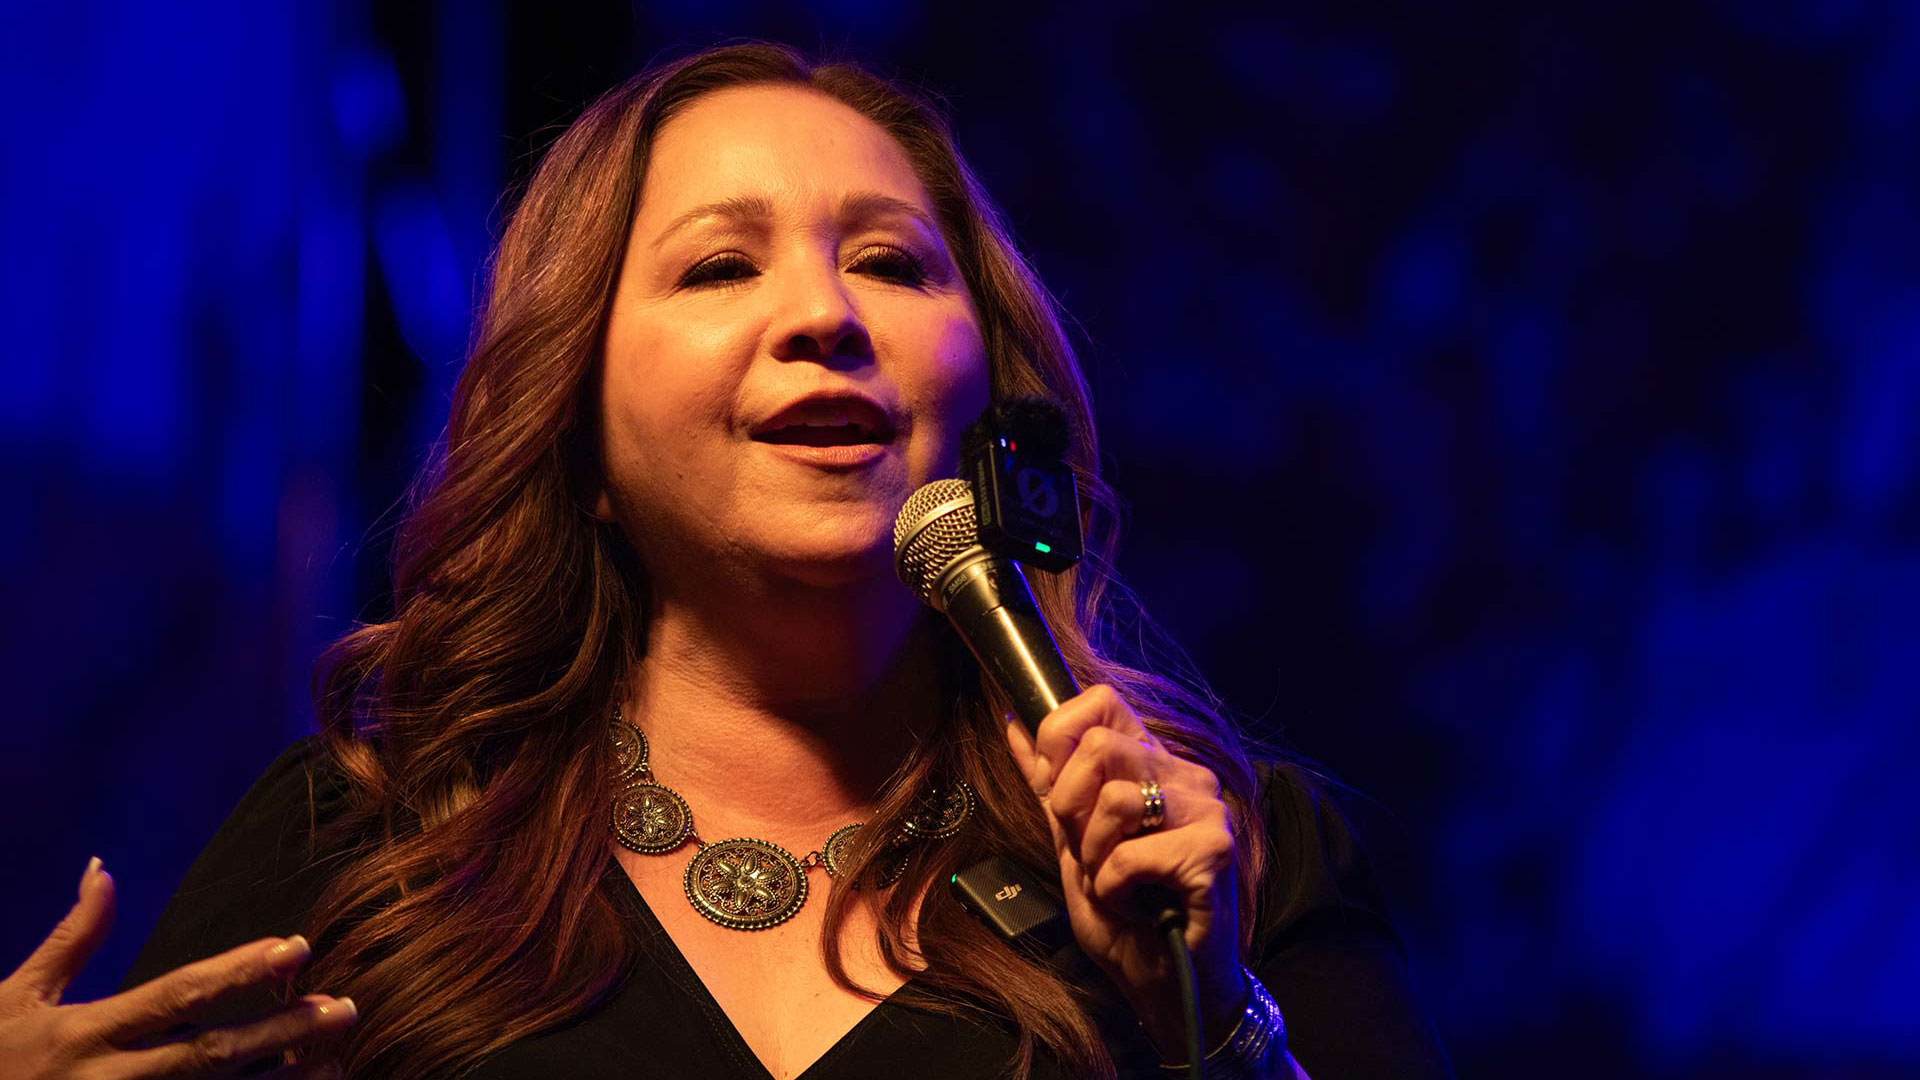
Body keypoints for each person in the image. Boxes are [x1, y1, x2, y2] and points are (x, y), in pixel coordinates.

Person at [0, 43, 1451, 1080]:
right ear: (576, 429)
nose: (825, 314)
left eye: (891, 262)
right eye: (719, 266)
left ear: (988, 404)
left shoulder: (1227, 855)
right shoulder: (367, 854)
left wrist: (1212, 1023)